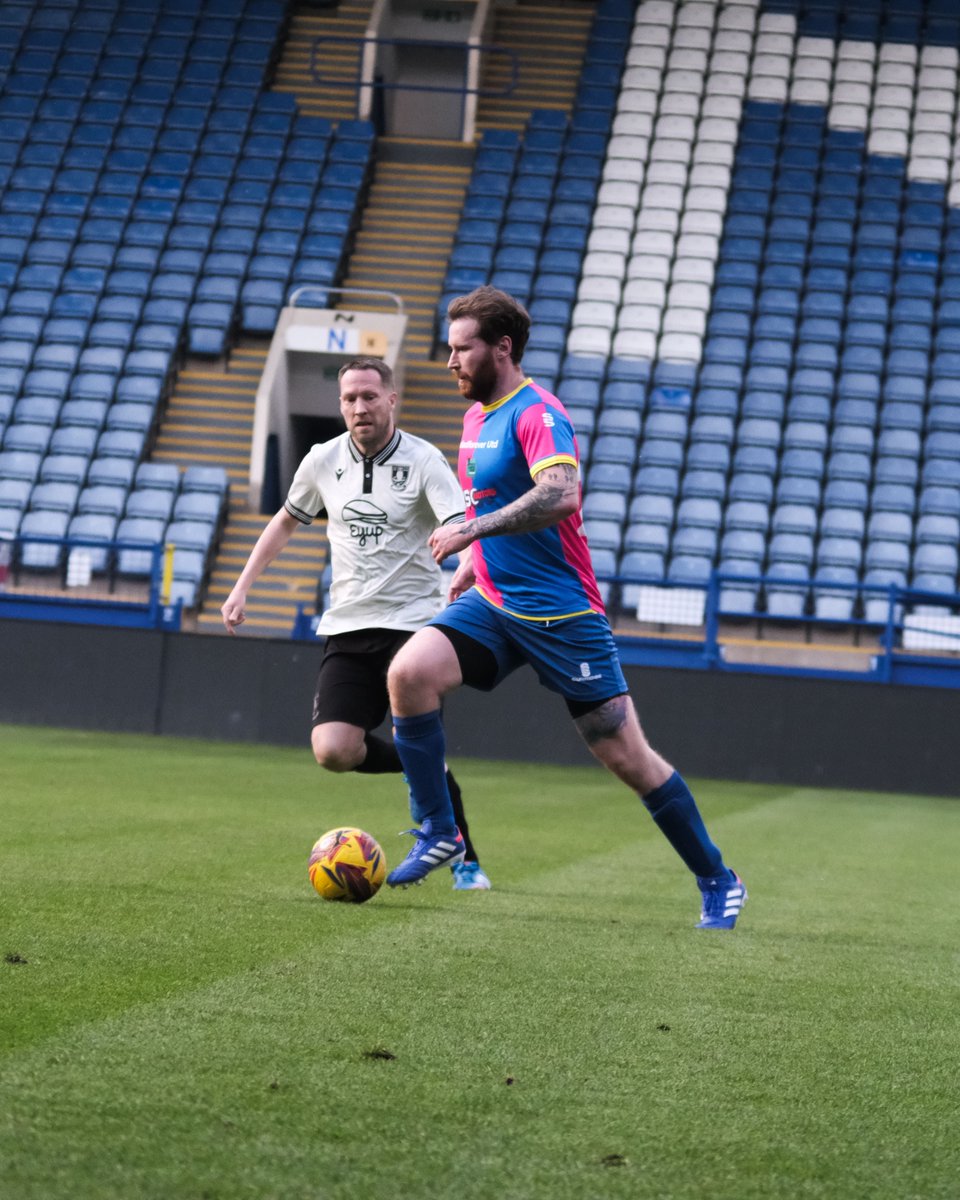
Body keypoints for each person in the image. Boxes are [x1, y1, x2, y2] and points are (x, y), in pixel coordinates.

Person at [383, 286, 745, 928]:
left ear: (503, 347)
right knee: (409, 675)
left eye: (462, 349)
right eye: (448, 349)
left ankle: (717, 877)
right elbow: (495, 501)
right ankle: (439, 829)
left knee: (626, 757)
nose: (451, 362)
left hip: (563, 617)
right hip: (495, 605)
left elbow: (560, 495)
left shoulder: (538, 411)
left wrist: (474, 532)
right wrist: (474, 562)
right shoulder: (476, 417)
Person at [221, 356, 491, 891]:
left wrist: (466, 563)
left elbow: (461, 523)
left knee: (410, 732)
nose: (359, 407)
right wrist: (242, 583)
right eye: (349, 399)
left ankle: (467, 862)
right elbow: (285, 520)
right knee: (334, 751)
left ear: (392, 399)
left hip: (416, 626)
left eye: (370, 396)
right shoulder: (322, 460)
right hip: (347, 625)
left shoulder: (423, 460)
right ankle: (427, 768)